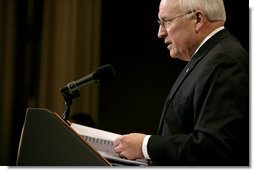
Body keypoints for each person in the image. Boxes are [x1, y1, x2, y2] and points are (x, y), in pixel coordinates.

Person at [113, 0, 249, 166]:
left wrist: (145, 145)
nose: (160, 33)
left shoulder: (224, 60)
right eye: (160, 23)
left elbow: (214, 146)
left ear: (198, 19)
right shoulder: (207, 58)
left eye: (167, 22)